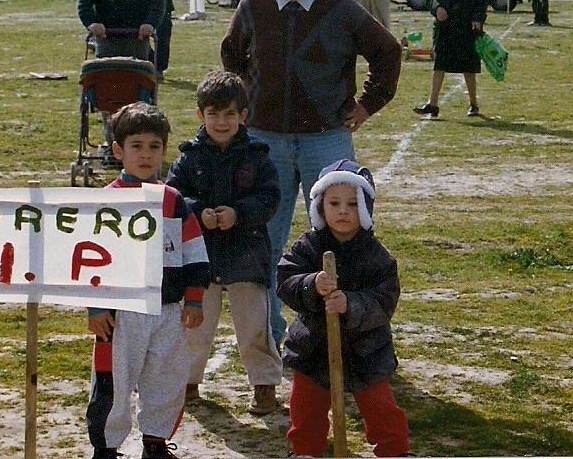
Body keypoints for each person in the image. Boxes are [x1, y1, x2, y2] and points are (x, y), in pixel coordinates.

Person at [221, 0, 402, 347]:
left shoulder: (342, 10)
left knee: (342, 235)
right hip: (264, 142)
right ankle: (268, 340)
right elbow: (232, 54)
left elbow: (388, 51)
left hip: (326, 140)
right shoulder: (252, 6)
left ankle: (343, 339)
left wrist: (368, 103)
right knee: (263, 242)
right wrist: (247, 102)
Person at [86, 102, 210, 459]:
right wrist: (95, 307)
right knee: (113, 381)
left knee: (166, 378)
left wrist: (194, 298)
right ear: (117, 151)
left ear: (164, 151)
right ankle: (106, 448)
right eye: (136, 146)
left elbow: (193, 252)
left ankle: (155, 443)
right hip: (120, 314)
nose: (145, 154)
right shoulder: (105, 202)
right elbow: (88, 260)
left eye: (154, 146)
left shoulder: (172, 201)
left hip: (166, 310)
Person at [165, 71, 283, 415]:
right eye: (213, 114)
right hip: (200, 256)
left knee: (254, 323)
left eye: (230, 114)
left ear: (243, 115)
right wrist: (197, 212)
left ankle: (264, 382)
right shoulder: (188, 158)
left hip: (247, 252)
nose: (221, 122)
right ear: (199, 115)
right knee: (195, 323)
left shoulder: (258, 156)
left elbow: (270, 198)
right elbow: (173, 197)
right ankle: (187, 380)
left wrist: (238, 213)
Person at [277, 160, 410, 458]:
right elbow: (285, 280)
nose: (343, 211)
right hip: (313, 346)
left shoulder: (376, 257)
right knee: (305, 407)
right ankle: (305, 450)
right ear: (320, 207)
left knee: (380, 408)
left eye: (352, 204)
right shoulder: (308, 247)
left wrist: (350, 304)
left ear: (365, 208)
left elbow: (384, 301)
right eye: (334, 203)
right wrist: (311, 284)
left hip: (366, 349)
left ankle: (394, 450)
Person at [78, 0, 165, 164]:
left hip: (137, 40)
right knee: (109, 97)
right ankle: (112, 146)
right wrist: (92, 23)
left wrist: (150, 23)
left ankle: (135, 146)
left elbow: (158, 1)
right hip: (107, 40)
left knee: (137, 97)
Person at [413, 0, 490, 117]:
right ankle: (432, 104)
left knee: (468, 66)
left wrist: (478, 18)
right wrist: (436, 8)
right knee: (439, 63)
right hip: (443, 27)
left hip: (467, 26)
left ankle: (473, 104)